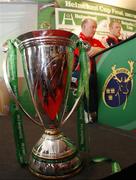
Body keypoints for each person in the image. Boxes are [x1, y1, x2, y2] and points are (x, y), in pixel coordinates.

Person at [71, 18, 105, 123]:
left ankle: (99, 110)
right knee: (89, 78)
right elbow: (84, 53)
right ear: (84, 26)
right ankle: (89, 111)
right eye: (92, 27)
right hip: (76, 74)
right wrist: (94, 49)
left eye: (96, 27)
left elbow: (107, 51)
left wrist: (97, 49)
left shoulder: (96, 41)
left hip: (93, 72)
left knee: (99, 79)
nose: (94, 30)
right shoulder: (77, 40)